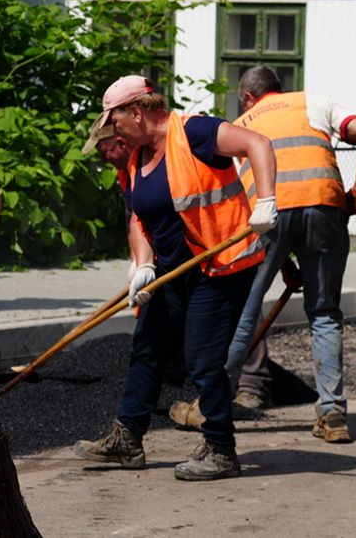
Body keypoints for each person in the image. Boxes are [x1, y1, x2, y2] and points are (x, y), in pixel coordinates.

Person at [72, 75, 278, 481]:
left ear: (137, 111)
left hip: (218, 266)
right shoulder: (136, 157)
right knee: (146, 347)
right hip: (171, 269)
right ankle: (127, 440)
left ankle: (221, 449)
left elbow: (259, 144)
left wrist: (267, 201)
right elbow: (137, 216)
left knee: (202, 360)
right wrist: (142, 265)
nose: (115, 133)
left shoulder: (196, 132)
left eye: (116, 122)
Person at [224, 66, 356, 443]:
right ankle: (332, 415)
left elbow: (258, 210)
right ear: (280, 89)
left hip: (270, 214)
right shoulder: (313, 103)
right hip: (326, 209)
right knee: (324, 313)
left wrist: (284, 265)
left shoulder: (240, 125)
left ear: (248, 97)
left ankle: (213, 404)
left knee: (245, 310)